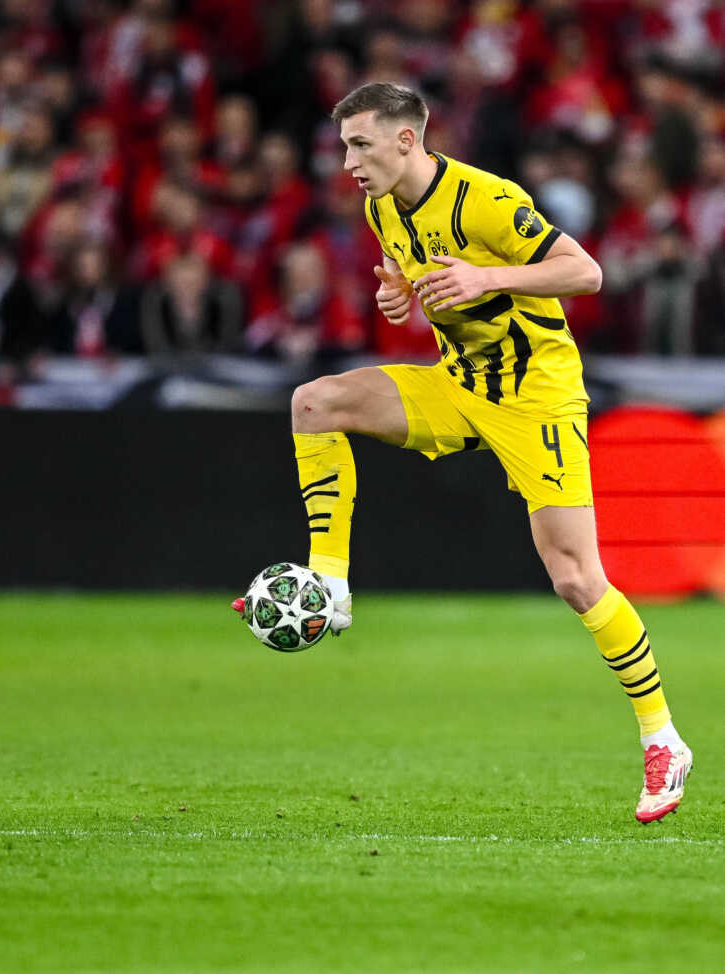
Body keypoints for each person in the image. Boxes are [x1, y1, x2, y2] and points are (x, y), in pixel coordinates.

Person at [276, 82, 691, 823]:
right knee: (316, 401)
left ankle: (662, 736)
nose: (348, 162)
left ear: (407, 141)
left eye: (360, 144)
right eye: (345, 146)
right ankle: (330, 582)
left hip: (537, 394)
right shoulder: (381, 208)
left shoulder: (485, 200)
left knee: (575, 577)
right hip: (462, 382)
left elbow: (585, 272)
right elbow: (426, 283)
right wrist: (402, 296)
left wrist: (489, 273)